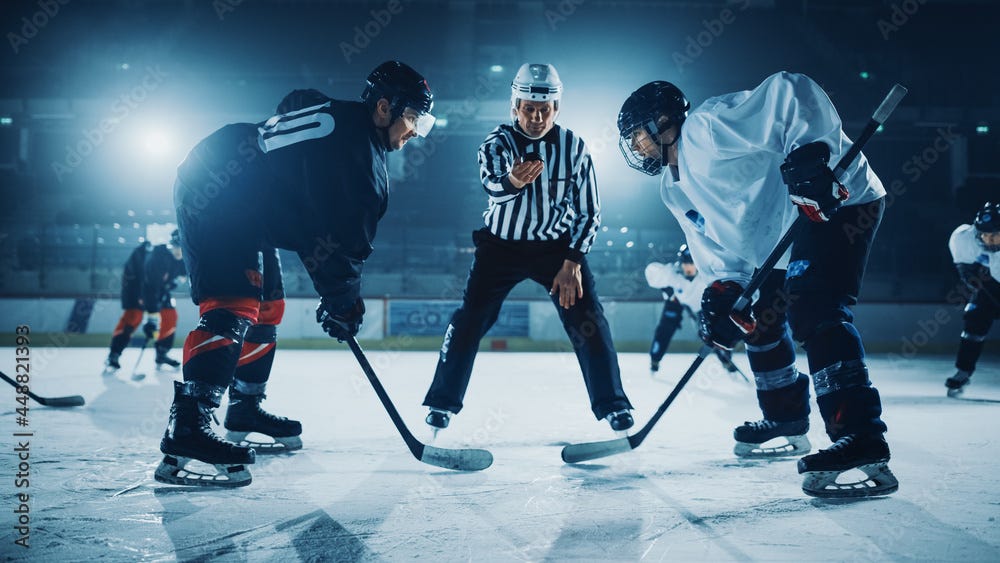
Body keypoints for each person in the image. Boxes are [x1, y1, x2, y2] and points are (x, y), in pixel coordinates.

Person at [155, 61, 436, 487]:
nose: (416, 130)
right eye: (413, 117)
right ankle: (188, 428)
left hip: (249, 203)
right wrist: (343, 303)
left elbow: (294, 103)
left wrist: (338, 299)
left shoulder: (342, 119)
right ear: (384, 108)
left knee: (269, 308)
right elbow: (332, 242)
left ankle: (245, 407)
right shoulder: (357, 157)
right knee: (233, 306)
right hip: (213, 190)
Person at [617, 72, 897, 498]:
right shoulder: (672, 190)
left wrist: (811, 160)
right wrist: (724, 291)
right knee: (757, 323)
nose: (636, 146)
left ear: (662, 120)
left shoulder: (707, 129)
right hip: (783, 238)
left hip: (839, 201)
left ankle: (862, 437)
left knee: (815, 308)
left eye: (637, 134)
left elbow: (791, 91)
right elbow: (714, 247)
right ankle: (786, 416)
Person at [421, 63, 634, 435]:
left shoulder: (575, 147)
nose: (536, 117)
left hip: (556, 251)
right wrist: (513, 181)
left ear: (557, 107)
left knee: (589, 322)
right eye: (528, 108)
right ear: (514, 107)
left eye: (544, 109)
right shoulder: (496, 143)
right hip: (500, 248)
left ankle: (613, 405)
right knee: (469, 321)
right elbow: (493, 187)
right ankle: (441, 404)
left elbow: (590, 211)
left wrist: (572, 262)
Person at [644, 244, 739, 374]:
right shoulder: (671, 273)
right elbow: (651, 273)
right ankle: (655, 359)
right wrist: (665, 288)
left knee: (712, 331)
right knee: (665, 327)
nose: (688, 267)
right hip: (676, 301)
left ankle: (725, 358)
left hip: (700, 307)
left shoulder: (707, 275)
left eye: (691, 263)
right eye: (685, 263)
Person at [104, 229, 186, 374]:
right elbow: (149, 286)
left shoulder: (181, 258)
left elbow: (179, 276)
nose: (180, 252)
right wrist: (152, 317)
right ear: (171, 245)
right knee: (133, 317)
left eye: (183, 248)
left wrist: (171, 283)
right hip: (136, 287)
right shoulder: (158, 257)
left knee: (170, 316)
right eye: (177, 247)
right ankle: (114, 354)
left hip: (158, 289)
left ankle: (162, 353)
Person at [946, 202, 1000, 397]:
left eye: (996, 235)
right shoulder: (964, 238)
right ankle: (963, 371)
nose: (991, 241)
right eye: (986, 235)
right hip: (990, 285)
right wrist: (967, 275)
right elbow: (964, 266)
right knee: (974, 318)